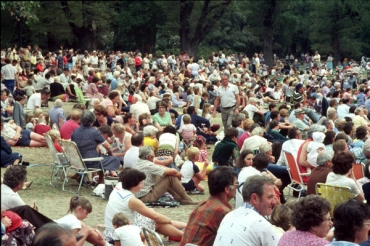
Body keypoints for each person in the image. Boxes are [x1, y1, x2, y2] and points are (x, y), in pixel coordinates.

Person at [103, 168, 185, 242]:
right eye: (141, 183)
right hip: (120, 232)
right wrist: (169, 221)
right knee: (156, 221)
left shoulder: (119, 186)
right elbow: (155, 216)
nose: (142, 185)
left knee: (151, 215)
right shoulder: (131, 200)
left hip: (112, 228)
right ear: (133, 185)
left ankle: (185, 229)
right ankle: (185, 236)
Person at [180, 166, 237, 246]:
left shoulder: (204, 203)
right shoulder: (222, 211)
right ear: (227, 189)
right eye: (236, 184)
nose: (237, 187)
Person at [214, 175, 279, 245]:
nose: (274, 202)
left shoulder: (228, 216)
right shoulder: (262, 226)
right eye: (270, 197)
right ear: (254, 198)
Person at [71, 110, 120, 183]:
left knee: (102, 158)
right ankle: (101, 181)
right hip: (90, 161)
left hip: (77, 160)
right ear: (93, 120)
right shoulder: (94, 132)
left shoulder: (75, 131)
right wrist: (110, 153)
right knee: (114, 159)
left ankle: (83, 175)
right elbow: (108, 147)